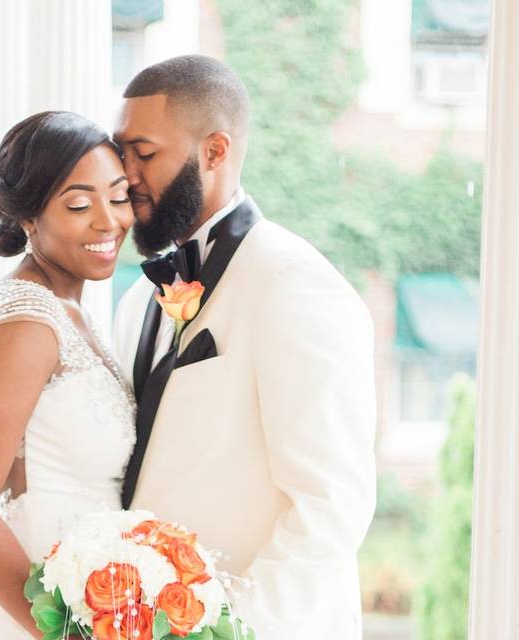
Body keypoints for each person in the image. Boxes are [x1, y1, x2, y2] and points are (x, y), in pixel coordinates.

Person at [112, 55, 377, 639]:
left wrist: (233, 626)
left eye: (145, 153)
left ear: (214, 151)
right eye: (120, 152)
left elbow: (330, 504)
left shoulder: (295, 282)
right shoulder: (135, 302)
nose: (125, 174)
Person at [0, 111, 137, 639]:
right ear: (28, 218)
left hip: (88, 597)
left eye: (118, 197)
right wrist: (64, 631)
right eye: (79, 205)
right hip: (37, 608)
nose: (108, 221)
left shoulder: (72, 312)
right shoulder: (25, 322)